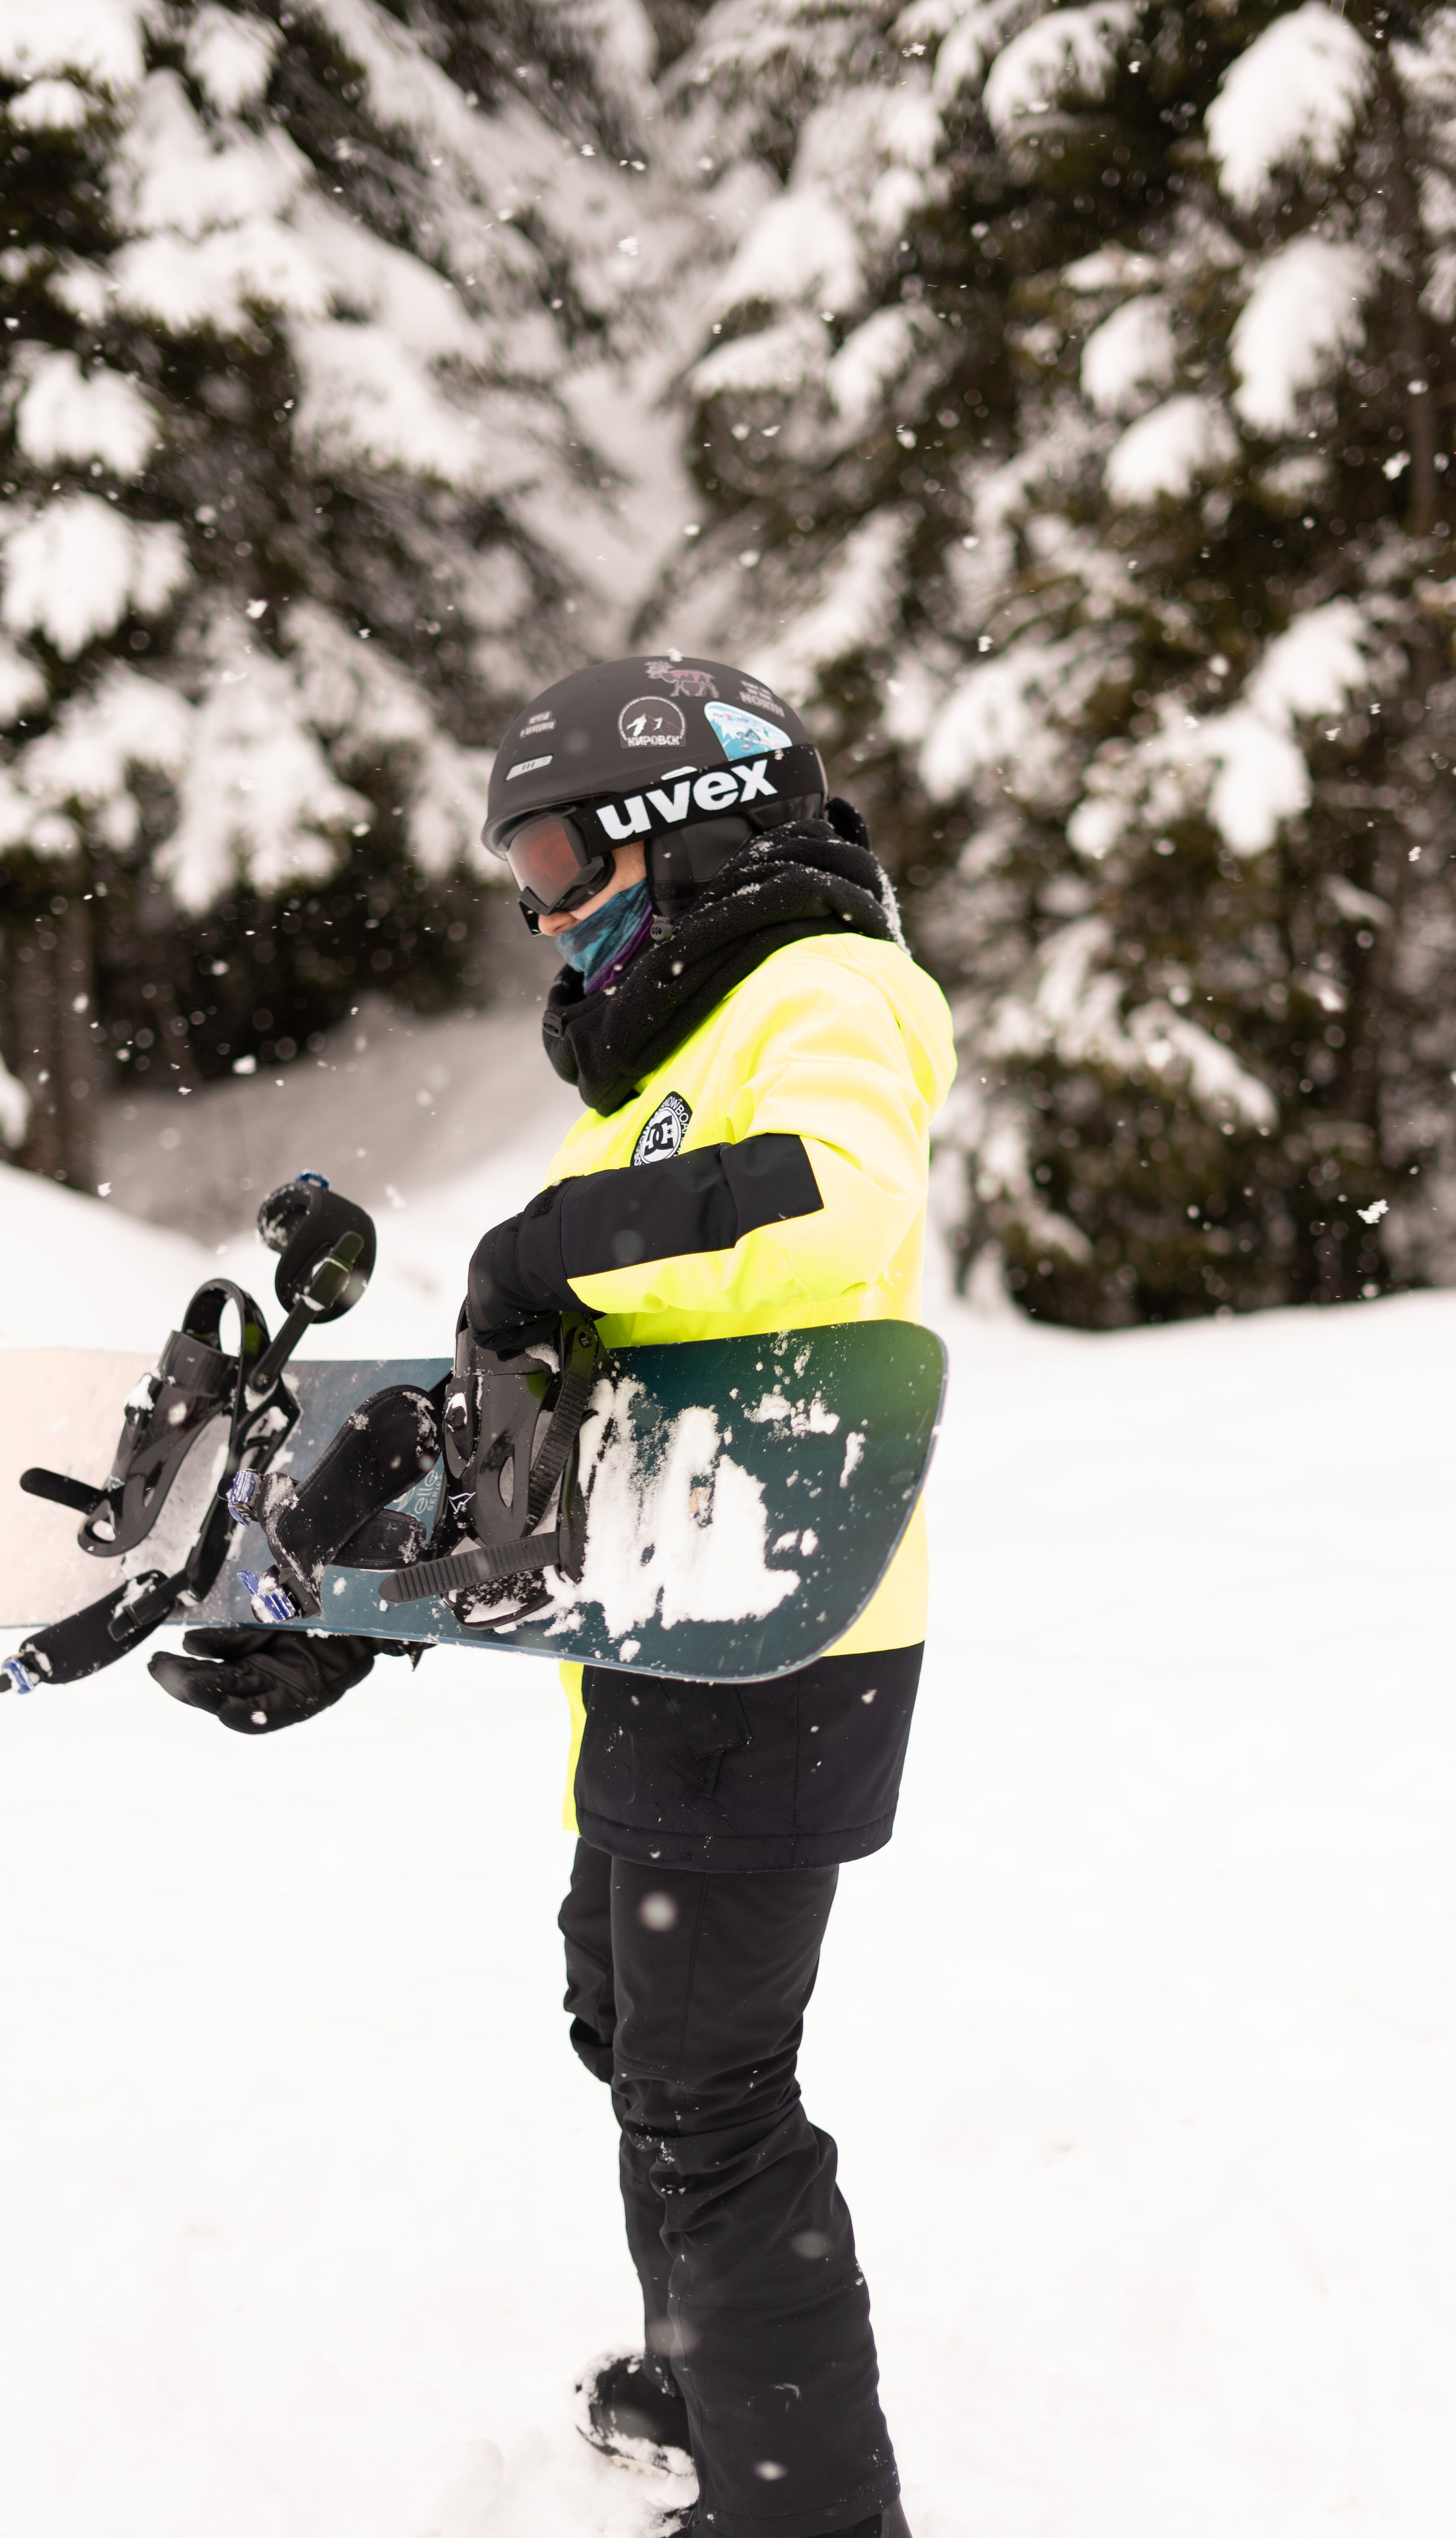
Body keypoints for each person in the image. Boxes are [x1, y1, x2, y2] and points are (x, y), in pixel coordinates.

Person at [151, 655, 956, 2538]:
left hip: (791, 1635)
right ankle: (707, 2382)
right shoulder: (673, 1066)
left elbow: (830, 1198)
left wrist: (547, 1245)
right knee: (632, 2022)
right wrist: (345, 1603)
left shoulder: (829, 992)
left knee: (714, 2090)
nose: (542, 913)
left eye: (561, 860)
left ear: (684, 830)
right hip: (672, 1632)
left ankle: (808, 2513)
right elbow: (579, 1417)